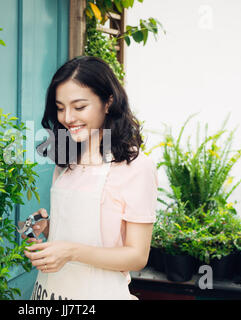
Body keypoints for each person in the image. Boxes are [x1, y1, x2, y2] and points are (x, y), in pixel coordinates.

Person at [22, 56, 158, 300]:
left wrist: (70, 252)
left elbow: (137, 256)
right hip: (50, 294)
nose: (68, 118)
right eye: (60, 108)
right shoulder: (66, 161)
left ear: (108, 102)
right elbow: (73, 236)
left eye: (79, 107)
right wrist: (47, 230)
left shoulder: (136, 167)